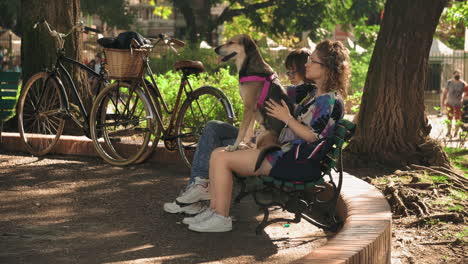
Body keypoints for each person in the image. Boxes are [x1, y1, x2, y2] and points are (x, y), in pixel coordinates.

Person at [183, 40, 350, 232]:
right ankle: (215, 210)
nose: (307, 64)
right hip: (284, 153)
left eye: (312, 61)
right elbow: (273, 88)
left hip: (293, 161)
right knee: (218, 154)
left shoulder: (329, 101)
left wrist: (286, 118)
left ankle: (221, 218)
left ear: (327, 68)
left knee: (223, 158)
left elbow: (313, 137)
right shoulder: (312, 93)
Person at [163, 48, 315, 215]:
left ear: (305, 70)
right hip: (257, 137)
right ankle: (199, 187)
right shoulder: (292, 90)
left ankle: (198, 192)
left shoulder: (303, 92)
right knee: (214, 127)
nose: (289, 75)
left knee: (216, 141)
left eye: (294, 71)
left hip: (265, 144)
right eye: (288, 71)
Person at [442, 70, 466, 137]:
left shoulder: (463, 84)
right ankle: (449, 132)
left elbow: (466, 92)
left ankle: (456, 132)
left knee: (457, 119)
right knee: (449, 118)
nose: (457, 76)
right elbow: (445, 93)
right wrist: (443, 102)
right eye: (456, 75)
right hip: (449, 103)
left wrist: (463, 98)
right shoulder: (449, 82)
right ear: (453, 75)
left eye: (459, 75)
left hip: (458, 104)